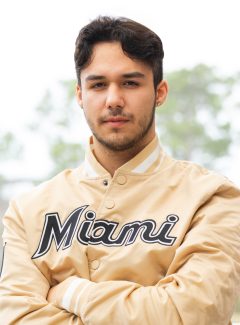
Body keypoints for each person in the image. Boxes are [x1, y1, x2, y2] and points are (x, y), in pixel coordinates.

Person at [0, 16, 240, 325]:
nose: (114, 100)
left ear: (160, 92)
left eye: (130, 82)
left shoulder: (213, 198)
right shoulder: (27, 212)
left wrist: (74, 294)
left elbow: (191, 314)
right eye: (98, 85)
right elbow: (16, 318)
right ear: (80, 95)